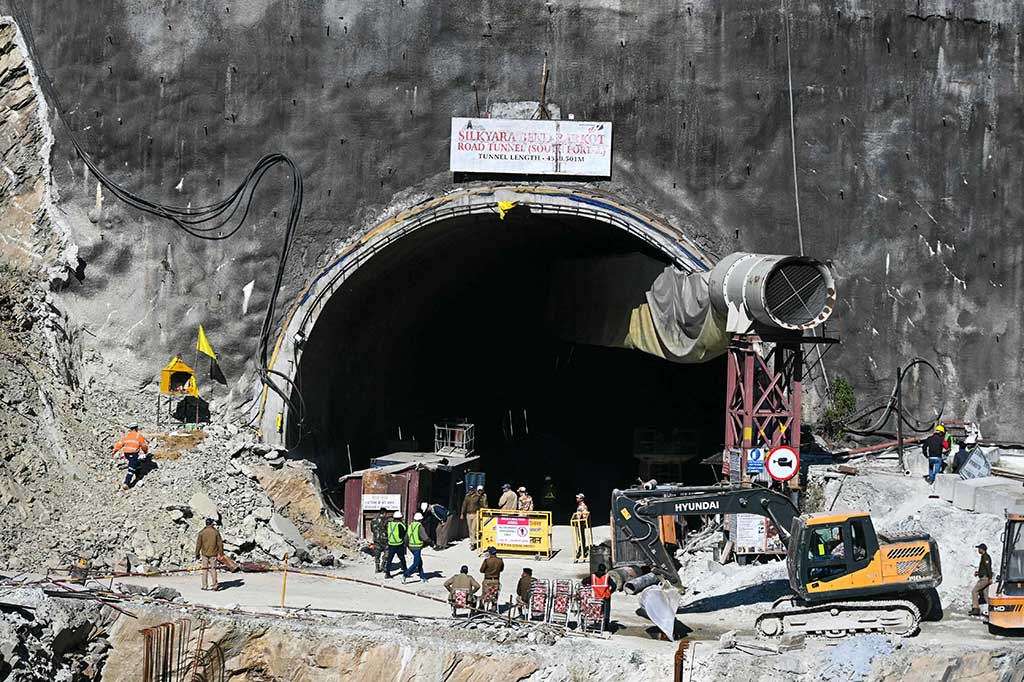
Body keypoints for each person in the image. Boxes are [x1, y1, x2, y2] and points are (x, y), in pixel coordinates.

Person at [112, 422, 149, 490]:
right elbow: (143, 446)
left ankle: (138, 476)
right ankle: (126, 482)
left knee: (136, 463)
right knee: (131, 468)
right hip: (133, 454)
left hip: (126, 454)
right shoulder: (139, 436)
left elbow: (120, 444)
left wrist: (115, 451)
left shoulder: (127, 436)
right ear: (136, 428)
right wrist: (145, 451)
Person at [403, 512, 432, 583]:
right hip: (417, 547)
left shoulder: (411, 526)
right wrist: (430, 542)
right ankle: (405, 574)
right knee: (416, 563)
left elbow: (406, 537)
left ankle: (422, 577)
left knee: (420, 562)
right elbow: (425, 538)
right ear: (420, 520)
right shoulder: (419, 526)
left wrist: (407, 545)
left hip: (411, 546)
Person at [582, 563, 613, 630]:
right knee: (606, 611)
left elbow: (583, 581)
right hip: (605, 597)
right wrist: (610, 592)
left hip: (595, 597)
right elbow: (614, 586)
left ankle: (595, 620)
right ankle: (605, 626)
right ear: (605, 569)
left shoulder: (593, 577)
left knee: (594, 609)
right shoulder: (607, 577)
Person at [195, 518, 223, 591]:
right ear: (211, 524)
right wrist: (221, 553)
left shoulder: (202, 532)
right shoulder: (215, 532)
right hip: (213, 553)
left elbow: (198, 544)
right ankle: (215, 586)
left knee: (204, 570)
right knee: (213, 570)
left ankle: (204, 586)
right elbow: (220, 544)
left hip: (204, 554)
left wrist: (197, 554)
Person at [970, 543, 993, 616]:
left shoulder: (985, 557)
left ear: (982, 549)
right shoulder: (984, 556)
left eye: (979, 548)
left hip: (984, 578)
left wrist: (990, 578)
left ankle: (976, 608)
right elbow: (985, 569)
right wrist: (979, 573)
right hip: (985, 577)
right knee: (986, 595)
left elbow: (988, 568)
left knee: (974, 591)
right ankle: (992, 609)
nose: (978, 550)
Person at [461, 485, 487, 550]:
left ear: (474, 490)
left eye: (472, 490)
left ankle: (473, 543)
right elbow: (464, 505)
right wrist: (462, 513)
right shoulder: (467, 497)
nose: (471, 491)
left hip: (475, 514)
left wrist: (485, 510)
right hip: (468, 514)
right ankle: (472, 542)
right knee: (470, 529)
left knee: (474, 529)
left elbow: (481, 505)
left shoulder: (477, 497)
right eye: (470, 490)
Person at [384, 511, 408, 579]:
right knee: (402, 558)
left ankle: (387, 573)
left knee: (389, 559)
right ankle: (406, 571)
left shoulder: (390, 524)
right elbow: (402, 535)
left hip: (391, 544)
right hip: (399, 544)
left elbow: (386, 532)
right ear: (400, 518)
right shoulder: (400, 525)